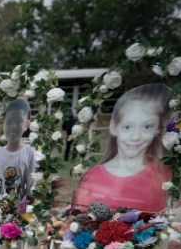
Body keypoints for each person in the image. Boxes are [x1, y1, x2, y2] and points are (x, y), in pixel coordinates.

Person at [72, 83, 173, 213]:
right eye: (127, 127)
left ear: (158, 129)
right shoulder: (92, 178)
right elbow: (79, 219)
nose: (136, 137)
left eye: (147, 127)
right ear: (114, 127)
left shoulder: (164, 176)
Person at [0, 99, 37, 200]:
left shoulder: (28, 154)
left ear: (26, 124)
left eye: (18, 121)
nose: (13, 126)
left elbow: (31, 189)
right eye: (9, 122)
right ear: (4, 126)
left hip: (17, 210)